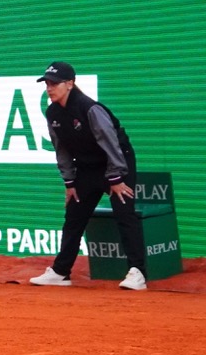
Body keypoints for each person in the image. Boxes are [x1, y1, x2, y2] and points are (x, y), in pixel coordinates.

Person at [28, 62, 147, 292]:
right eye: (47, 84)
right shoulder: (52, 113)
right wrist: (69, 181)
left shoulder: (89, 108)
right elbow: (61, 149)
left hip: (117, 162)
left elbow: (111, 142)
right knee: (74, 215)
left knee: (124, 213)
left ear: (70, 84)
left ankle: (138, 272)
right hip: (87, 167)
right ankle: (61, 272)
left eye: (54, 84)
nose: (49, 88)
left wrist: (116, 178)